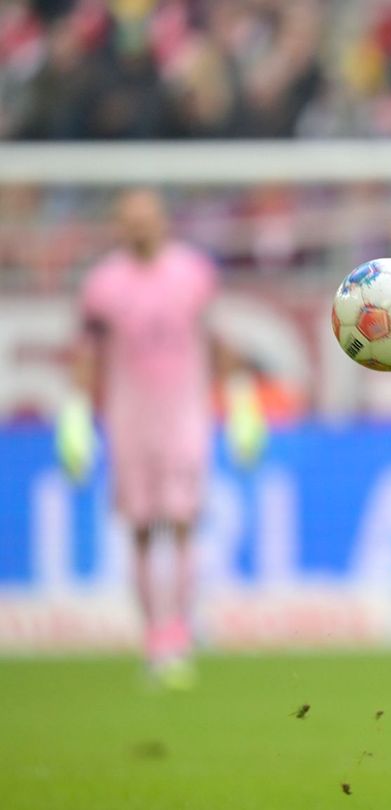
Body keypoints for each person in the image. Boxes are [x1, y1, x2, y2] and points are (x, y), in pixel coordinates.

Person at [59, 188, 267, 689]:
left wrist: (239, 399)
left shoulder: (192, 272)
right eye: (130, 220)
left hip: (184, 415)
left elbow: (215, 339)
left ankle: (177, 633)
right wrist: (75, 415)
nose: (139, 228)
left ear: (163, 222)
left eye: (147, 219)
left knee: (181, 521)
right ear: (118, 226)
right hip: (128, 417)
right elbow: (87, 353)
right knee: (138, 527)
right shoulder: (102, 284)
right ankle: (153, 633)